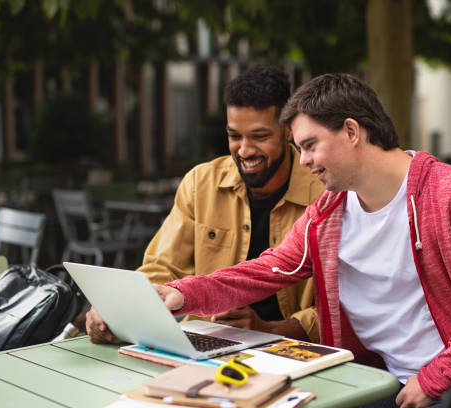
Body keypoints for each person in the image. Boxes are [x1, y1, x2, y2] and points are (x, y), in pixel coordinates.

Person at [155, 73, 451, 408]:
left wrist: (434, 378)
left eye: (309, 145)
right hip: (377, 379)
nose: (302, 160)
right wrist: (182, 293)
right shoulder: (328, 213)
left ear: (352, 132)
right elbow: (265, 270)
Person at [86, 66, 324, 344]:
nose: (245, 150)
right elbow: (161, 268)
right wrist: (119, 310)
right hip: (198, 344)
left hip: (291, 351)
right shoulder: (201, 183)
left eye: (259, 137)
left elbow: (341, 305)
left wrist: (271, 330)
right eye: (235, 136)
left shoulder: (324, 192)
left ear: (288, 131)